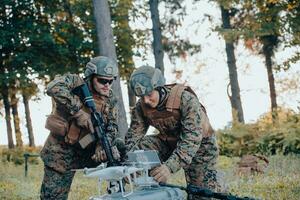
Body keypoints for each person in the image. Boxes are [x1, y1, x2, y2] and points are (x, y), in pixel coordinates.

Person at [126, 65, 221, 200]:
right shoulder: (141, 107)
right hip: (171, 143)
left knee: (200, 195)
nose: (146, 100)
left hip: (201, 148)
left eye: (149, 94)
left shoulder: (185, 99)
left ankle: (216, 185)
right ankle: (150, 187)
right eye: (141, 96)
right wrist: (127, 165)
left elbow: (191, 139)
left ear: (159, 88)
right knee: (145, 145)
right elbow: (133, 138)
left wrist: (168, 168)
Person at [40, 56, 121, 200]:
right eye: (102, 80)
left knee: (119, 146)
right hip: (61, 153)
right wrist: (78, 112)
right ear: (90, 77)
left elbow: (112, 127)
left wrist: (101, 145)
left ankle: (118, 191)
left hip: (87, 151)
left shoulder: (110, 99)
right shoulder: (75, 83)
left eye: (111, 80)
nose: (107, 85)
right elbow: (53, 88)